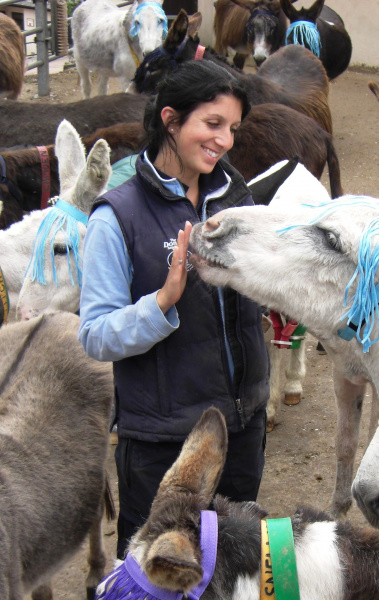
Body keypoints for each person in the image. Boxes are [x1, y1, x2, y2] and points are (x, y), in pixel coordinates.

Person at [78, 59, 270, 559]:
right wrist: (162, 301)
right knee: (155, 569)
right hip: (165, 441)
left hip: (241, 427)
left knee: (229, 564)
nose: (225, 140)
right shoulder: (117, 216)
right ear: (170, 119)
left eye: (232, 128)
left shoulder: (235, 195)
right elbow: (96, 334)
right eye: (212, 124)